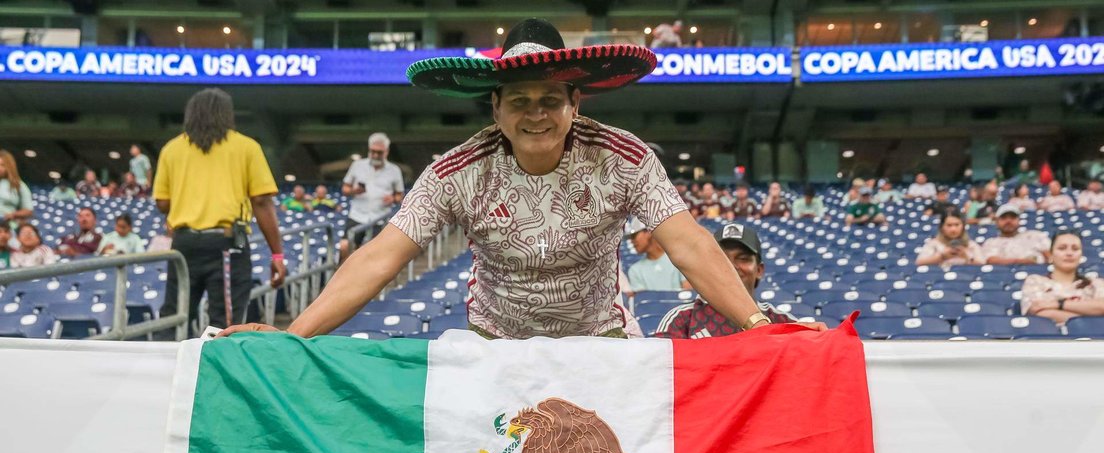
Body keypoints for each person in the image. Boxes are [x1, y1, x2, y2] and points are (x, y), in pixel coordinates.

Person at [220, 18, 779, 341]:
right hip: (496, 344)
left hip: (600, 340)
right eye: (519, 101)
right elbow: (380, 257)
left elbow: (691, 245)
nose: (535, 113)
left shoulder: (624, 157)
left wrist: (758, 326)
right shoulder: (455, 172)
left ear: (575, 103)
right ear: (495, 108)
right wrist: (293, 339)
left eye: (549, 100)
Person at [153, 88, 286, 337]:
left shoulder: (172, 149)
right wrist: (277, 255)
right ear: (227, 115)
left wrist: (191, 197)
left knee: (174, 317)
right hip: (226, 245)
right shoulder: (246, 147)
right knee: (225, 324)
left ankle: (167, 373)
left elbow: (162, 203)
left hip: (184, 243)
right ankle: (217, 374)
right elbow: (261, 202)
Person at [654, 223, 806, 338]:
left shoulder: (783, 322)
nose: (732, 267)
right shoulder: (680, 320)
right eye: (722, 259)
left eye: (743, 259)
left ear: (759, 270)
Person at [340, 132, 405, 261]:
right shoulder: (357, 165)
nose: (375, 155)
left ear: (386, 152)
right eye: (373, 151)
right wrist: (355, 191)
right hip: (357, 215)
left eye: (379, 152)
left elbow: (400, 196)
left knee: (375, 255)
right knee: (345, 247)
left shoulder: (394, 170)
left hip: (379, 218)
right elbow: (345, 189)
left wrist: (392, 199)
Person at [1020, 229, 1104, 325]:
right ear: (1050, 255)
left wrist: (1058, 304)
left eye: (1075, 249)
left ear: (1081, 256)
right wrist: (1092, 318)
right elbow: (1039, 314)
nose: (1069, 253)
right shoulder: (1035, 281)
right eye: (1062, 248)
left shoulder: (1096, 283)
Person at [625, 219, 687, 292]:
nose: (632, 241)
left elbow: (688, 295)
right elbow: (642, 300)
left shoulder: (679, 258)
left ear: (649, 231)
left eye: (634, 236)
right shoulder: (634, 270)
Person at [981, 204, 1050, 265]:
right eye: (1004, 218)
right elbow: (991, 260)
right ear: (997, 222)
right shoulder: (990, 242)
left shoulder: (1035, 235)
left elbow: (1051, 256)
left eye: (1013, 217)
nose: (1008, 221)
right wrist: (1024, 261)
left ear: (1019, 220)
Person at [915, 210, 984, 268]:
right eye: (949, 225)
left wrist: (967, 257)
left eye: (957, 225)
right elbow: (919, 263)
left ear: (963, 226)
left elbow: (983, 266)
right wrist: (942, 257)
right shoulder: (933, 244)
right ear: (942, 227)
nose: (953, 229)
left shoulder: (972, 245)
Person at [0, 150, 34, 231]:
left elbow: (28, 210)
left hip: (7, 228)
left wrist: (12, 215)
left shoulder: (19, 185)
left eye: (2, 165)